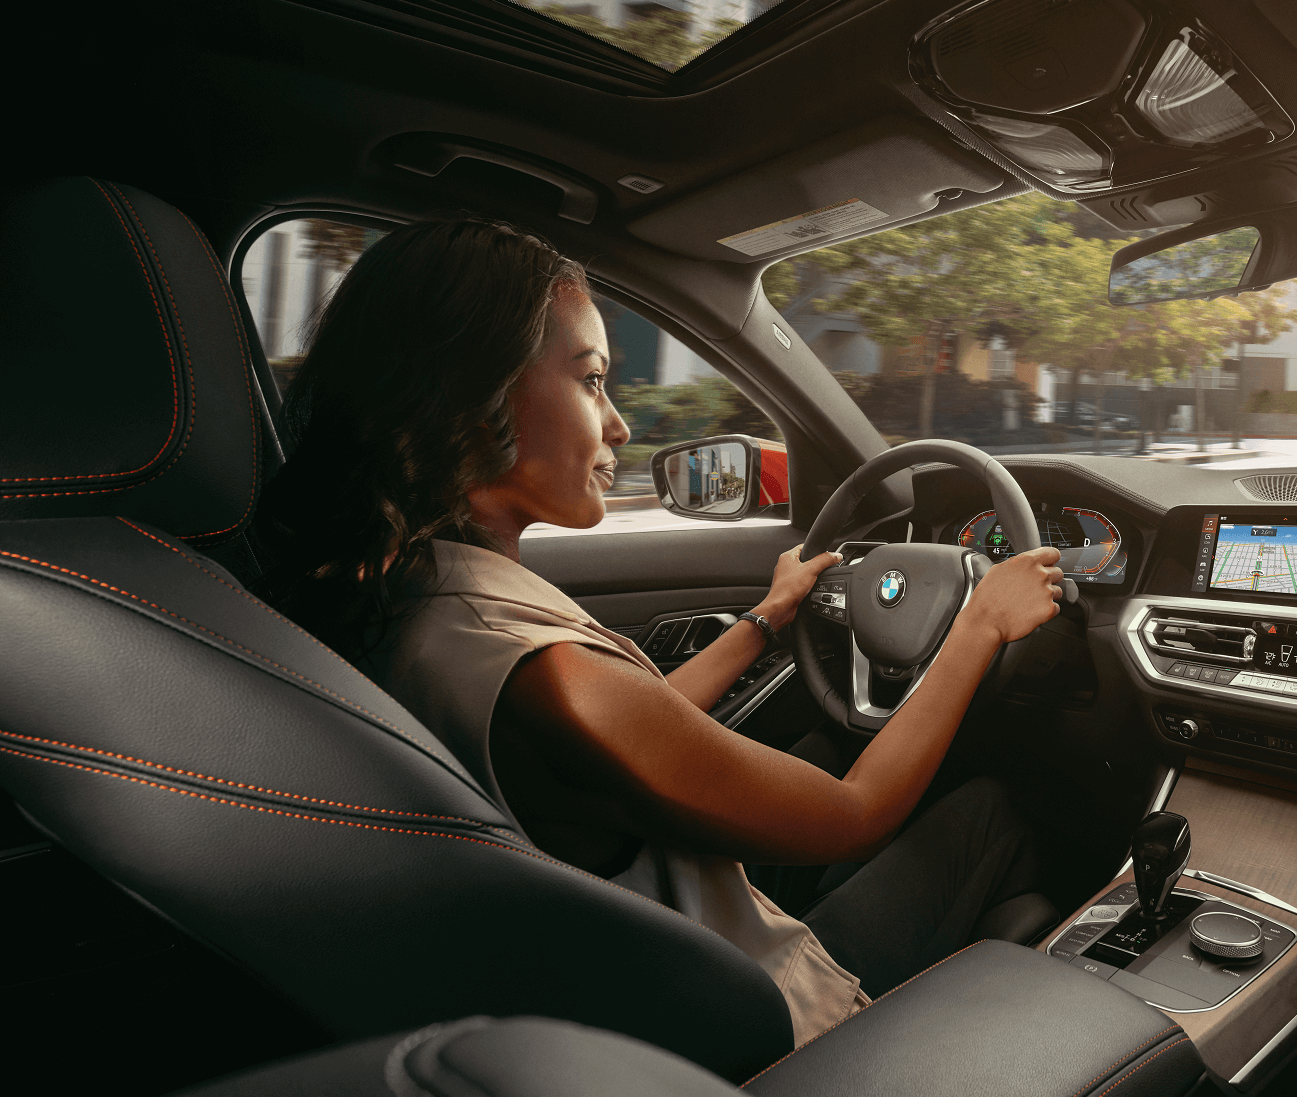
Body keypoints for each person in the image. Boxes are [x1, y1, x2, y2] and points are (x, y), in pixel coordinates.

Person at [254, 219, 1065, 1044]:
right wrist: (980, 621)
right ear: (471, 399)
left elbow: (633, 729)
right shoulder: (552, 676)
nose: (619, 426)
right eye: (593, 380)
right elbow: (856, 812)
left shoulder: (402, 595)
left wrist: (764, 621)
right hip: (773, 1029)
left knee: (819, 749)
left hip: (644, 993)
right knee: (993, 807)